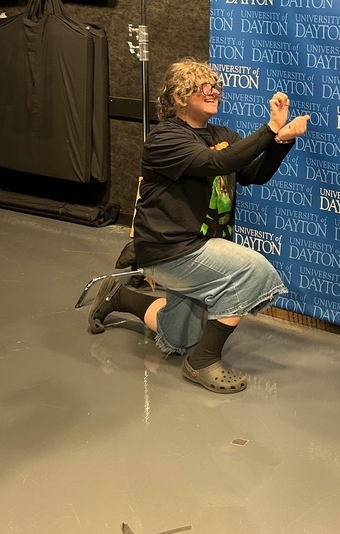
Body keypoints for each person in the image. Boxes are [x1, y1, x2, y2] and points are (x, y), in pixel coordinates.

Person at [87, 58, 309, 393]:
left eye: (215, 86)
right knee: (253, 272)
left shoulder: (222, 134)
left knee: (178, 337)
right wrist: (270, 129)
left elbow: (253, 174)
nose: (213, 91)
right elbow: (216, 162)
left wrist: (280, 142)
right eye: (202, 87)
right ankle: (203, 361)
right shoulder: (165, 137)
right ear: (179, 97)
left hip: (200, 245)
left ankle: (119, 297)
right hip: (169, 250)